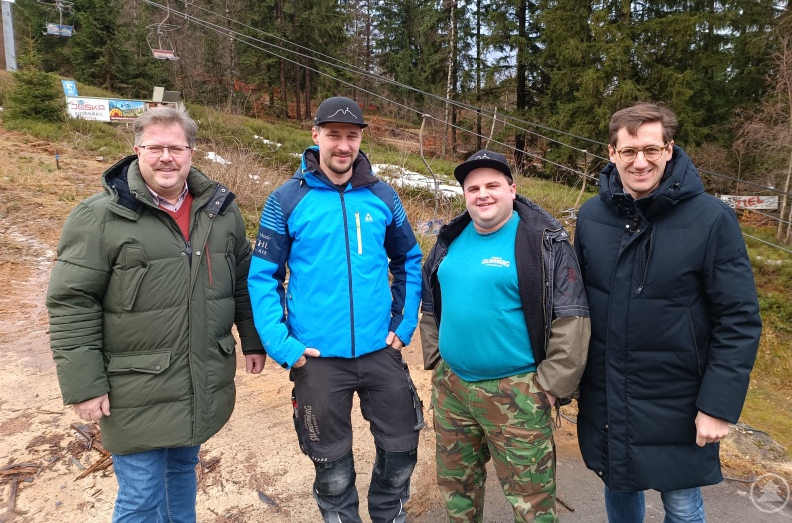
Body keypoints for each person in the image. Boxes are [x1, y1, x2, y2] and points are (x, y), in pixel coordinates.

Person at [47, 105, 266, 522]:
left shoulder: (220, 212)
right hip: (134, 384)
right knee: (142, 496)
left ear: (191, 153)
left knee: (182, 470)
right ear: (137, 151)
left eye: (176, 148)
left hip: (200, 377)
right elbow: (72, 303)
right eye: (155, 147)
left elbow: (242, 282)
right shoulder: (99, 217)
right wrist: (84, 386)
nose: (167, 157)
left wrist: (253, 341)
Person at [574, 103, 762, 523]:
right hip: (608, 391)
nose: (640, 162)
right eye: (629, 151)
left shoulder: (712, 219)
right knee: (619, 485)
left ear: (669, 150)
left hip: (679, 399)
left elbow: (739, 319)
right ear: (612, 153)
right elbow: (577, 307)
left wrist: (718, 406)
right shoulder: (591, 216)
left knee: (681, 503)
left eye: (651, 150)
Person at [248, 96, 424, 522]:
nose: (343, 146)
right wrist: (283, 345)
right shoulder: (285, 199)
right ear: (316, 135)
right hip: (317, 358)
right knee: (332, 471)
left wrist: (402, 325)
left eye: (351, 136)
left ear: (361, 138)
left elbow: (408, 260)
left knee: (401, 452)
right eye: (333, 135)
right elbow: (263, 277)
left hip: (380, 349)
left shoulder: (383, 196)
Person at [419, 149, 591, 522]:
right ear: (465, 195)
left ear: (512, 190)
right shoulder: (451, 237)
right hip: (452, 389)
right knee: (457, 490)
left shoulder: (544, 242)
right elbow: (431, 297)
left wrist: (550, 387)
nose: (483, 194)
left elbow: (572, 317)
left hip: (517, 392)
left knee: (531, 502)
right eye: (473, 188)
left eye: (492, 185)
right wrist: (435, 357)